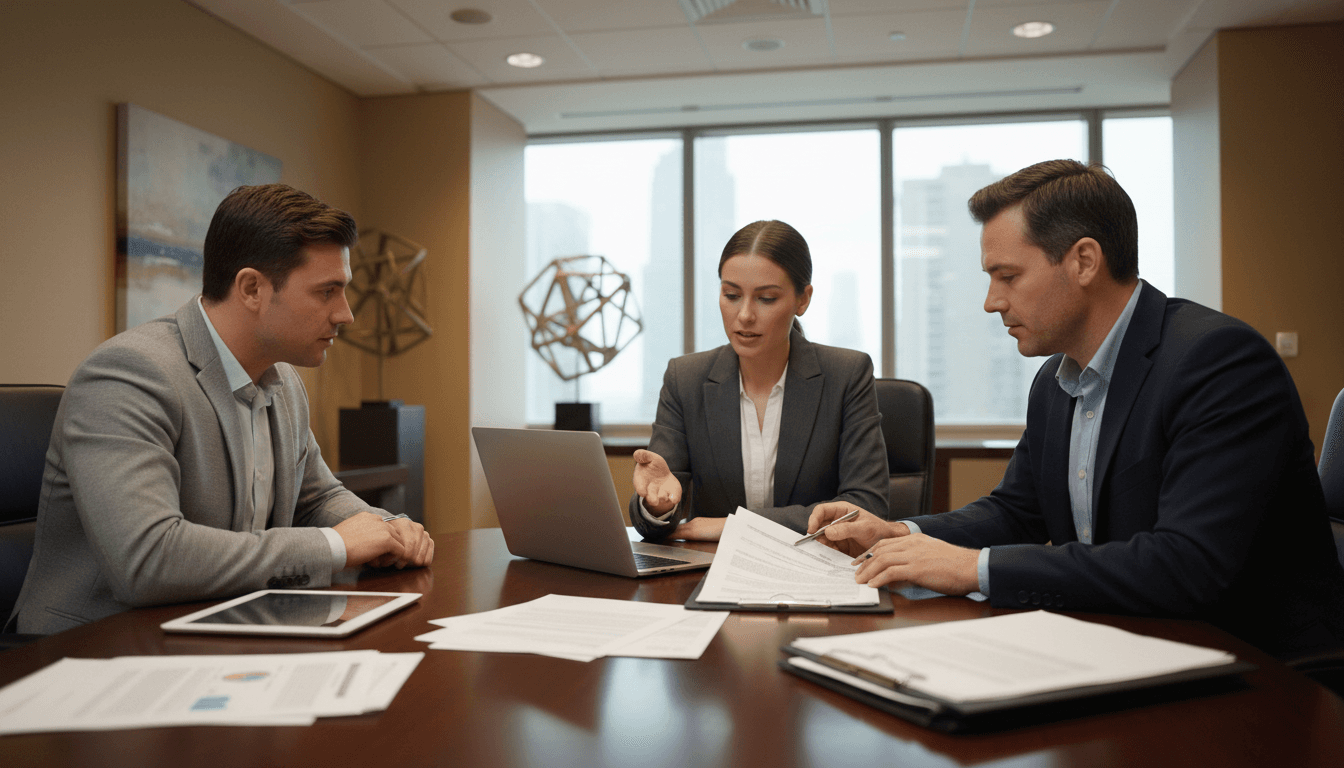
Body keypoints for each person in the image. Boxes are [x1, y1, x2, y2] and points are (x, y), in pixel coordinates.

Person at [809, 160, 1344, 659]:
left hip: (1256, 671)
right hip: (1119, 645)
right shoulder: (1055, 380)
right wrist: (899, 535)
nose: (991, 301)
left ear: (1084, 261)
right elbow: (1016, 513)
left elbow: (1188, 565)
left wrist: (974, 567)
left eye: (1008, 276)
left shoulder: (1217, 362)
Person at [9, 184, 434, 635]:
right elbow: (148, 559)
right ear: (252, 288)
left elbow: (318, 498)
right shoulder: (128, 375)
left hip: (221, 626)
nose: (345, 314)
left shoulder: (283, 380)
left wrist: (387, 529)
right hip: (92, 647)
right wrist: (335, 546)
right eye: (327, 292)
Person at [631, 220, 889, 542]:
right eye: (731, 295)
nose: (745, 315)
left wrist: (734, 525)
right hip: (713, 575)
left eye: (766, 298)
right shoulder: (685, 379)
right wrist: (658, 506)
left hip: (815, 574)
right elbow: (654, 513)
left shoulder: (847, 375)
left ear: (802, 300)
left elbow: (865, 506)